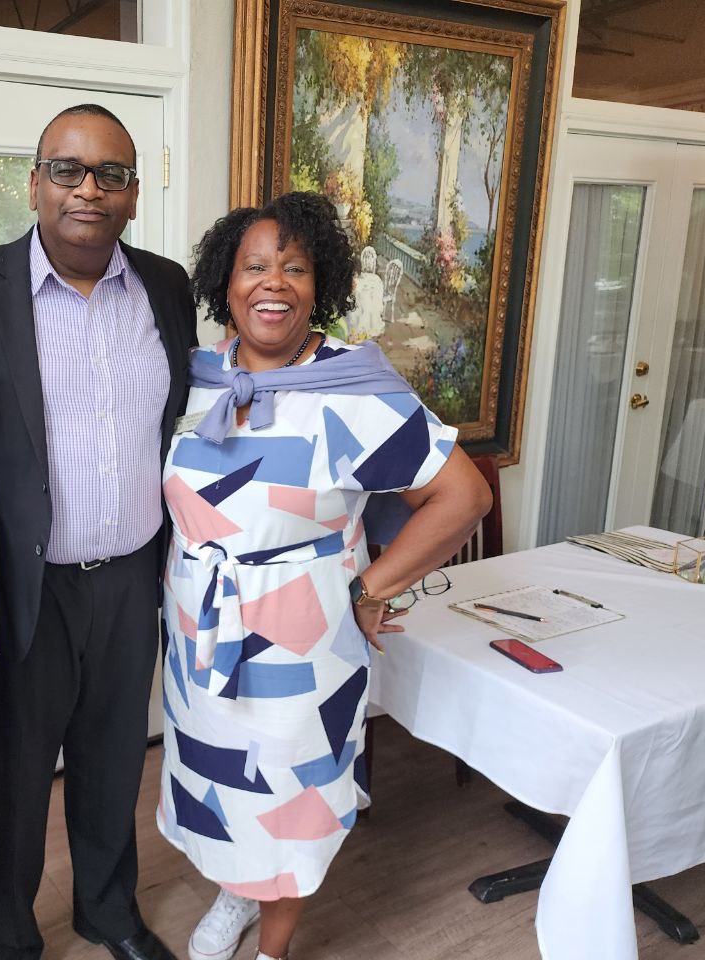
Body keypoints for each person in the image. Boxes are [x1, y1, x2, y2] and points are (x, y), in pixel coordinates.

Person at [158, 192, 491, 960]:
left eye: (296, 268)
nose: (274, 284)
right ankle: (238, 891)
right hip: (200, 631)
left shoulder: (353, 386)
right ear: (226, 283)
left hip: (302, 642)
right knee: (224, 780)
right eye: (255, 267)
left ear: (321, 284)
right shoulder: (200, 377)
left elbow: (462, 495)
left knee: (292, 799)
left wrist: (371, 590)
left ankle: (273, 945)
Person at [0, 104, 197, 960]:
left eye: (111, 174)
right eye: (68, 170)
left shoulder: (168, 285)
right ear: (35, 183)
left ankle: (108, 911)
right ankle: (7, 935)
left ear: (134, 194)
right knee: (22, 779)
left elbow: (186, 414)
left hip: (132, 573)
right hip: (27, 583)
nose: (88, 190)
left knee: (113, 762)